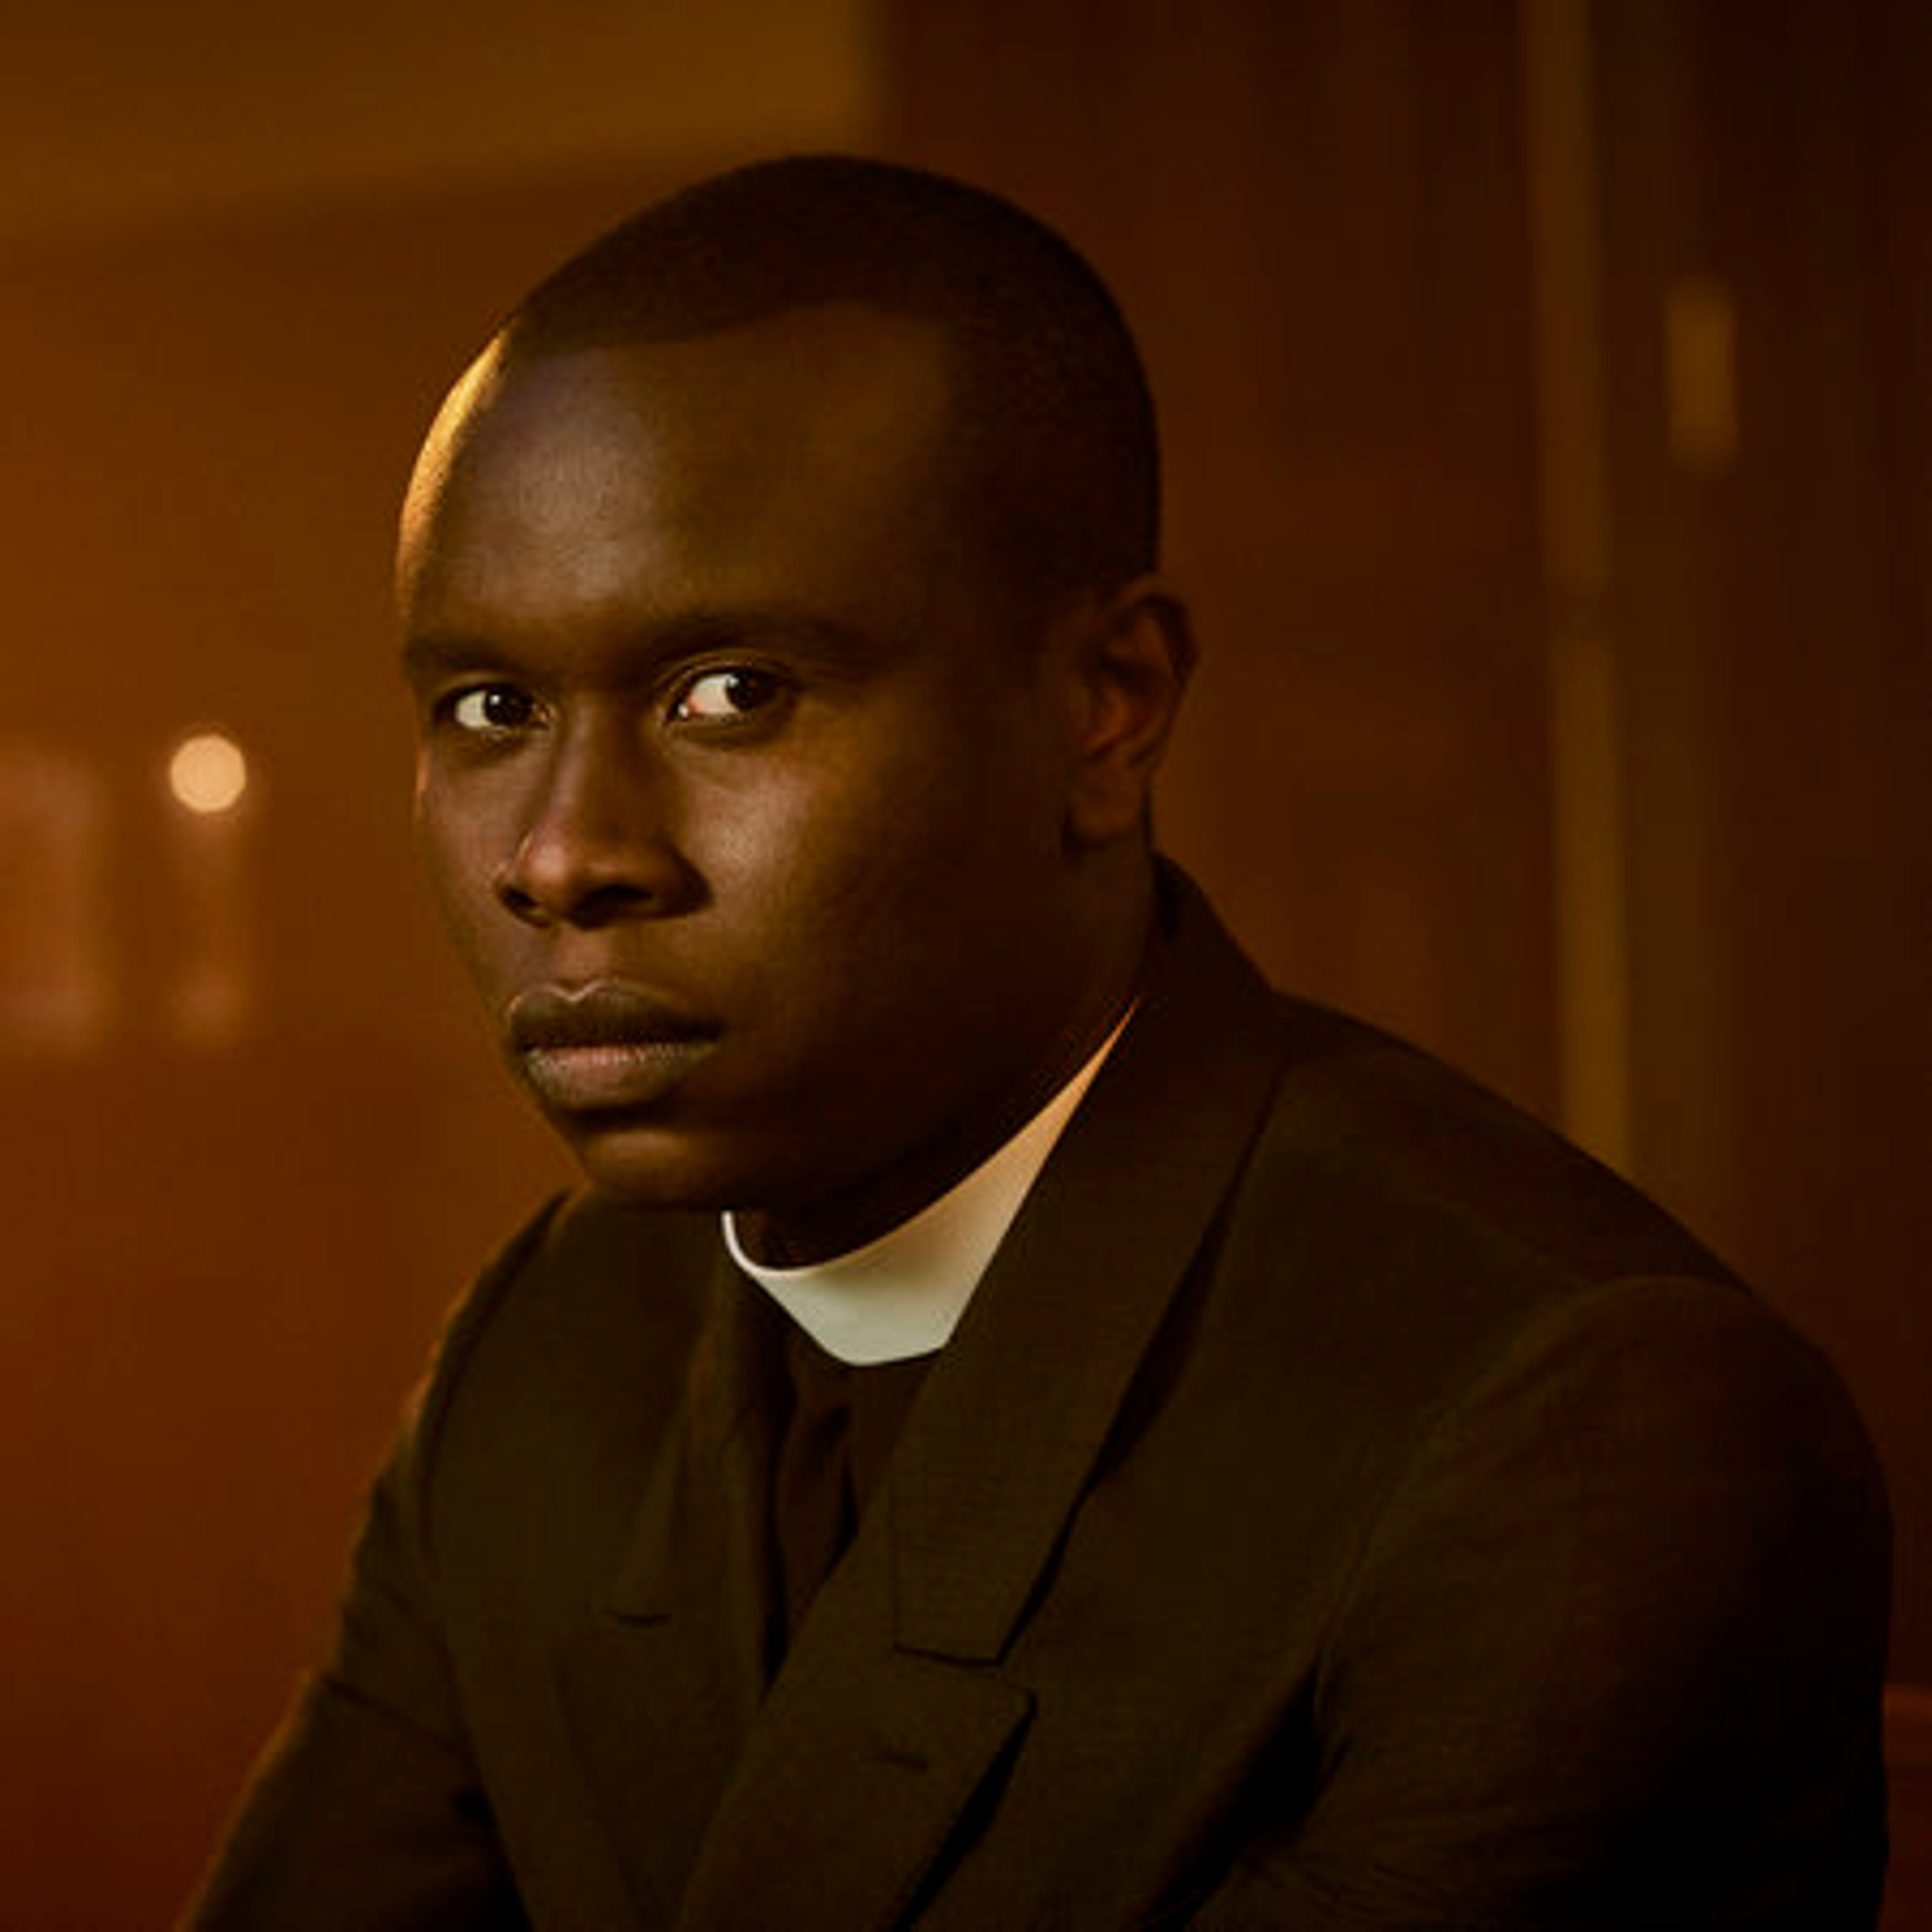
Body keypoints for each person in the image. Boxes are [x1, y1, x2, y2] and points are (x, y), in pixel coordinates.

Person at [188, 155, 1890, 1929]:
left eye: (731, 694)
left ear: (1107, 709)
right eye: (490, 707)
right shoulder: (552, 1344)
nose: (562, 855)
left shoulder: (1581, 1426)